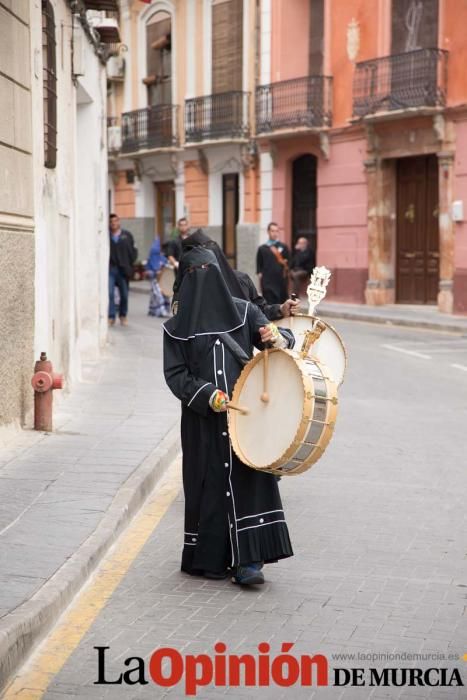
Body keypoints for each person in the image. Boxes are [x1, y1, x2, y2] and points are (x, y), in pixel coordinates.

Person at [163, 247, 294, 585]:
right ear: (184, 281)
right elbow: (175, 374)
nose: (203, 279)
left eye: (209, 270)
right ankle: (211, 557)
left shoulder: (244, 311)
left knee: (247, 483)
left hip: (244, 419)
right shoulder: (176, 329)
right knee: (210, 484)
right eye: (195, 273)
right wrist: (208, 395)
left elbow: (282, 342)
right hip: (202, 421)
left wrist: (275, 336)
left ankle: (250, 562)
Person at [175, 229, 299, 321]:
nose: (203, 269)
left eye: (207, 264)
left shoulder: (241, 281)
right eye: (196, 267)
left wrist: (281, 309)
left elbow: (259, 312)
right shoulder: (186, 290)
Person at [108, 213, 138, 326]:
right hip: (111, 269)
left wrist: (130, 265)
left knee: (124, 295)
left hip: (123, 270)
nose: (113, 223)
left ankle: (123, 315)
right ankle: (111, 316)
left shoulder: (127, 235)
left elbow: (134, 251)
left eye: (115, 221)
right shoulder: (107, 235)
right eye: (111, 222)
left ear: (119, 222)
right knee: (109, 293)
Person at [256, 222, 290, 305]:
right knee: (269, 303)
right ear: (268, 232)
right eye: (272, 231)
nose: (275, 233)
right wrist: (260, 273)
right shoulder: (262, 248)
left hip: (280, 280)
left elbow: (289, 262)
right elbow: (259, 263)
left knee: (281, 303)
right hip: (267, 280)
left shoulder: (283, 247)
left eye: (276, 231)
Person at [146, 236, 171, 318]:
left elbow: (167, 266)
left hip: (163, 280)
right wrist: (153, 273)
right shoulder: (150, 259)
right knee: (157, 294)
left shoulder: (162, 258)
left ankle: (154, 310)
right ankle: (160, 310)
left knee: (163, 294)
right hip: (154, 280)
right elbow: (148, 270)